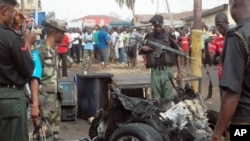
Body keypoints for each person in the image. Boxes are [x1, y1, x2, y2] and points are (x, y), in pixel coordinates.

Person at [211, 0, 250, 140]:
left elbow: (233, 94)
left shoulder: (237, 36)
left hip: (244, 122)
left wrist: (216, 135)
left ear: (233, 4)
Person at [0, 0, 35, 141]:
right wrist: (27, 43)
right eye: (12, 12)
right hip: (9, 99)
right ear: (4, 11)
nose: (14, 16)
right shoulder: (10, 37)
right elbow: (28, 69)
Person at [31, 20, 65, 140]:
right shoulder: (39, 51)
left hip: (54, 102)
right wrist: (35, 105)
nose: (64, 35)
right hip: (43, 103)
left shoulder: (54, 51)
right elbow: (35, 78)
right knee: (42, 137)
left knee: (53, 137)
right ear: (54, 33)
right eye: (62, 32)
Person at [139, 14, 181, 100]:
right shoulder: (149, 37)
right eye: (155, 26)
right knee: (156, 99)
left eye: (159, 26)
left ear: (162, 24)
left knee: (168, 98)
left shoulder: (169, 36)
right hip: (155, 72)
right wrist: (144, 48)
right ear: (153, 26)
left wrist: (179, 72)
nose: (157, 28)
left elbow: (177, 53)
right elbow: (140, 50)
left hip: (167, 71)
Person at [205, 13, 229, 99]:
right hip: (223, 76)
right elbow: (210, 60)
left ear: (227, 22)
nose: (218, 28)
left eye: (220, 25)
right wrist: (205, 44)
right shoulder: (216, 40)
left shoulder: (236, 37)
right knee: (224, 102)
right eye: (216, 26)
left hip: (238, 76)